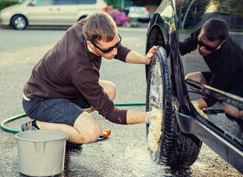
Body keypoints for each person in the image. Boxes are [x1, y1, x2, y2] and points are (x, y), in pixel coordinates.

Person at [21, 12, 157, 144]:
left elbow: (117, 50)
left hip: (61, 90)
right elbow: (109, 111)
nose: (115, 52)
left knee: (109, 89)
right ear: (90, 44)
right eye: (108, 50)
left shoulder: (89, 26)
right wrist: (150, 116)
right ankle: (37, 126)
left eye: (116, 44)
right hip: (40, 100)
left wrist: (144, 59)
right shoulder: (81, 69)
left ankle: (69, 126)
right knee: (92, 132)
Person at [179, 18, 243, 119]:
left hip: (240, 82)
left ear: (221, 43)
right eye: (200, 43)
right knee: (191, 79)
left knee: (230, 109)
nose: (202, 49)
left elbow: (212, 95)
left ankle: (232, 104)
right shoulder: (202, 34)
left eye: (208, 47)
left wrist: (192, 105)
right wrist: (161, 47)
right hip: (223, 78)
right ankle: (225, 97)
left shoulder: (227, 60)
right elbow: (183, 47)